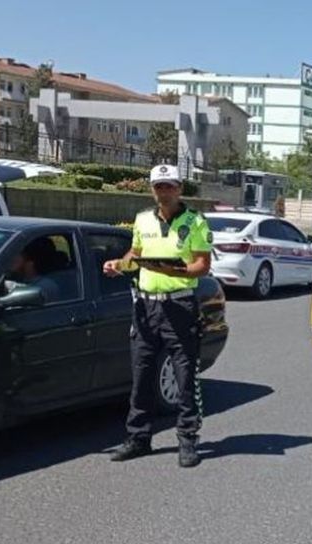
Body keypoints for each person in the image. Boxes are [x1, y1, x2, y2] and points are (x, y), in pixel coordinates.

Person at [103, 164, 212, 468]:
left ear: (180, 188)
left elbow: (202, 266)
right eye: (159, 186)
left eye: (170, 186)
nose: (164, 191)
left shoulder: (196, 222)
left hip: (179, 306)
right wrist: (119, 265)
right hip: (145, 307)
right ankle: (138, 438)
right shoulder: (142, 220)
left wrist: (173, 270)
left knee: (185, 376)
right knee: (142, 374)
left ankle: (188, 439)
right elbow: (135, 256)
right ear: (152, 189)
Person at [6, 237, 62, 302]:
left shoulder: (46, 286)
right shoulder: (18, 278)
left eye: (17, 254)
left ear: (30, 262)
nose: (12, 258)